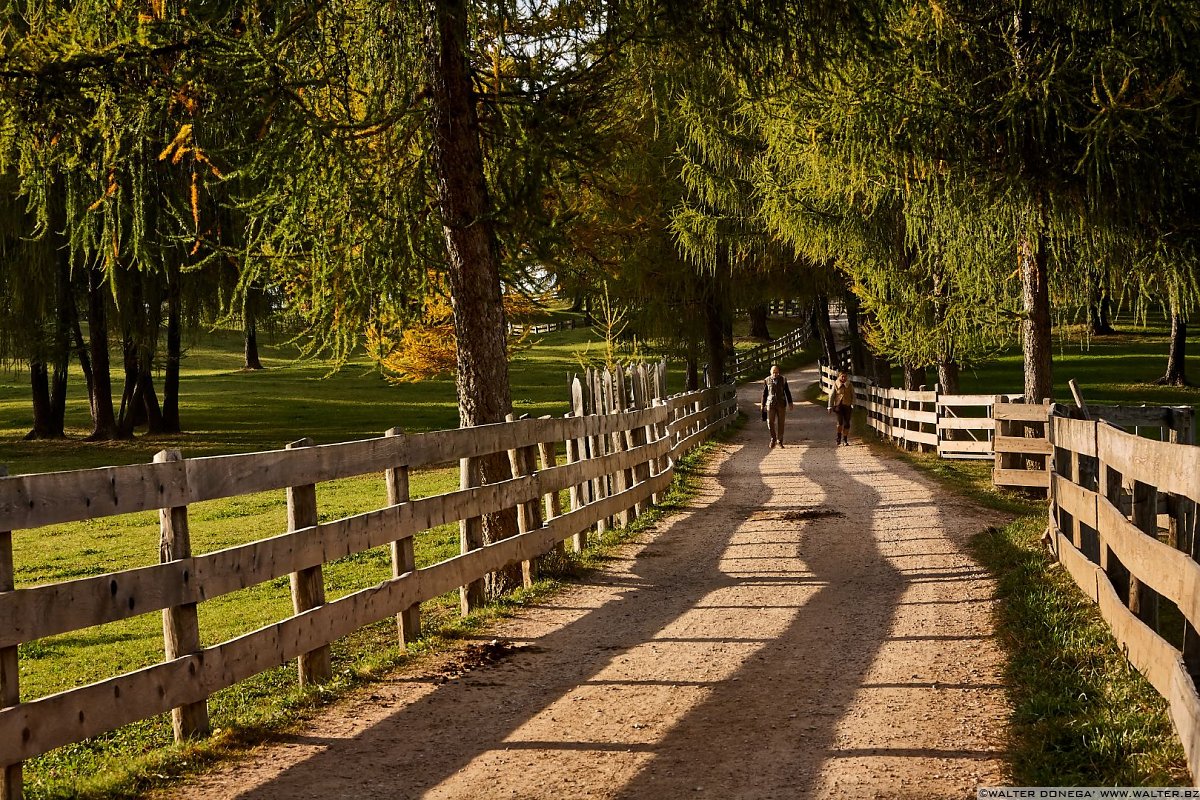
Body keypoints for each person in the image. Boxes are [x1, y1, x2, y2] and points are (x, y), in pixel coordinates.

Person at [760, 365, 794, 448]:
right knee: (770, 422)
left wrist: (790, 403)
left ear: (779, 372)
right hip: (770, 404)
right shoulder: (767, 380)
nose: (775, 374)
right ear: (770, 372)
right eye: (773, 372)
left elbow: (787, 392)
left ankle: (780, 440)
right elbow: (764, 394)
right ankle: (773, 438)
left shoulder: (783, 380)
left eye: (777, 372)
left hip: (781, 404)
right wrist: (762, 405)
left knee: (781, 423)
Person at [828, 370, 856, 446]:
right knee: (840, 422)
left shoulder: (849, 385)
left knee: (847, 423)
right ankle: (838, 437)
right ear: (839, 376)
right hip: (838, 406)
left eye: (845, 376)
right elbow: (832, 395)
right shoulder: (836, 384)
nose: (843, 378)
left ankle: (845, 439)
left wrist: (853, 403)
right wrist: (830, 406)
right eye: (842, 376)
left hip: (847, 405)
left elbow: (853, 395)